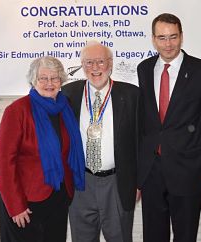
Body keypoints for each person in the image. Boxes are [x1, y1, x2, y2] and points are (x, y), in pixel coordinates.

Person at [137, 13, 201, 242]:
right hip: (152, 170)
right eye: (162, 38)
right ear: (153, 39)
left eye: (173, 37)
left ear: (181, 37)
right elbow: (146, 122)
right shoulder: (144, 69)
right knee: (153, 235)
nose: (168, 44)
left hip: (189, 169)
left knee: (185, 236)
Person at [0, 56, 85, 242]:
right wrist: (15, 205)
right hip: (25, 201)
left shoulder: (65, 108)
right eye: (43, 78)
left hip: (58, 197)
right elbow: (4, 162)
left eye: (55, 78)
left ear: (62, 81)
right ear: (33, 80)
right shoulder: (17, 111)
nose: (49, 83)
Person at [62, 40, 139, 242]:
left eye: (100, 62)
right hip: (81, 182)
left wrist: (139, 183)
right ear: (82, 65)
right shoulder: (69, 94)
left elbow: (140, 141)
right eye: (89, 62)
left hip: (117, 182)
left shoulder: (131, 95)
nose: (95, 68)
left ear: (111, 64)